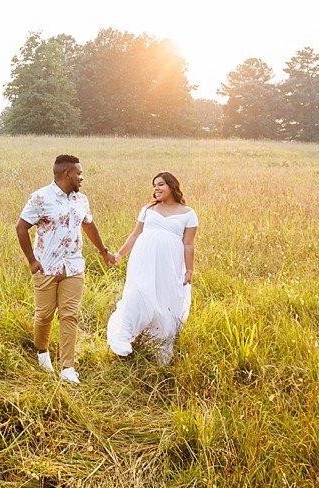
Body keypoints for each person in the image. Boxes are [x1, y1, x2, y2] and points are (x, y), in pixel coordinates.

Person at [15, 154, 116, 385]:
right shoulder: (41, 197)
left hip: (74, 266)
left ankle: (68, 368)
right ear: (67, 173)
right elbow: (21, 228)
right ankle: (42, 352)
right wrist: (32, 260)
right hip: (46, 267)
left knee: (70, 315)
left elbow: (88, 225)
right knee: (44, 315)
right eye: (79, 173)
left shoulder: (81, 200)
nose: (82, 178)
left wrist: (103, 251)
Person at [105, 171, 198, 366]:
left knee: (165, 299)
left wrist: (189, 270)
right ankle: (125, 336)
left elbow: (189, 244)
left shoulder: (188, 213)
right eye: (154, 185)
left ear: (172, 186)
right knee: (138, 293)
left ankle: (158, 342)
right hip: (143, 261)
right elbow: (135, 235)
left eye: (161, 184)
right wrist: (120, 254)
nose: (156, 188)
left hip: (169, 264)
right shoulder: (148, 209)